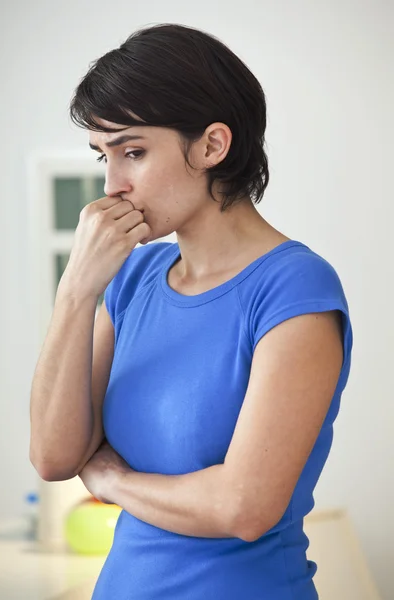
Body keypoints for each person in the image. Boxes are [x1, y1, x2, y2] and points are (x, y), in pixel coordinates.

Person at [29, 23, 353, 600]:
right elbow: (55, 457)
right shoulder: (130, 279)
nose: (113, 184)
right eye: (103, 156)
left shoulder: (294, 288)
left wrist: (113, 479)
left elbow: (243, 508)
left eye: (133, 151)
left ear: (211, 146)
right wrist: (76, 291)